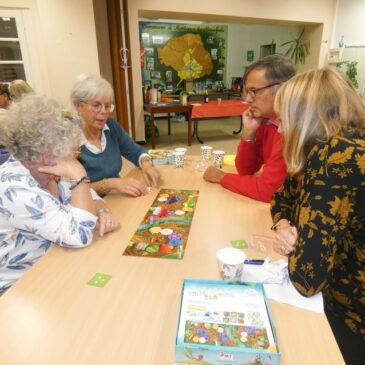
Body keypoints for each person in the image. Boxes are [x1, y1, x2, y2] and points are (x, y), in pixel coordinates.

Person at [271, 67, 365, 364]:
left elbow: (306, 278)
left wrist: (296, 242)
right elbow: (281, 197)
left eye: (283, 118)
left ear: (305, 118)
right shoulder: (342, 144)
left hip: (352, 317)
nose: (279, 128)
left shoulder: (333, 157)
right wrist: (284, 223)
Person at [0, 94, 118, 295]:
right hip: (19, 287)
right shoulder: (14, 187)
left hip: (56, 261)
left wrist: (102, 210)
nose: (76, 157)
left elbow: (89, 196)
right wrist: (79, 175)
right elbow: (79, 236)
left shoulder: (45, 169)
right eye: (74, 152)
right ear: (49, 154)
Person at [203, 55, 296, 203]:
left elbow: (268, 191)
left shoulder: (291, 128)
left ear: (283, 89)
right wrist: (249, 133)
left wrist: (222, 177)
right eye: (247, 91)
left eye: (255, 91)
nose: (248, 99)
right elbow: (246, 170)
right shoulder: (267, 119)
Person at [70, 74, 160, 197]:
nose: (104, 111)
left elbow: (135, 151)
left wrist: (147, 164)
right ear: (78, 106)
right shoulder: (69, 138)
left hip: (115, 197)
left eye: (107, 106)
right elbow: (71, 190)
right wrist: (110, 184)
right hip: (90, 206)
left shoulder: (111, 125)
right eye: (96, 105)